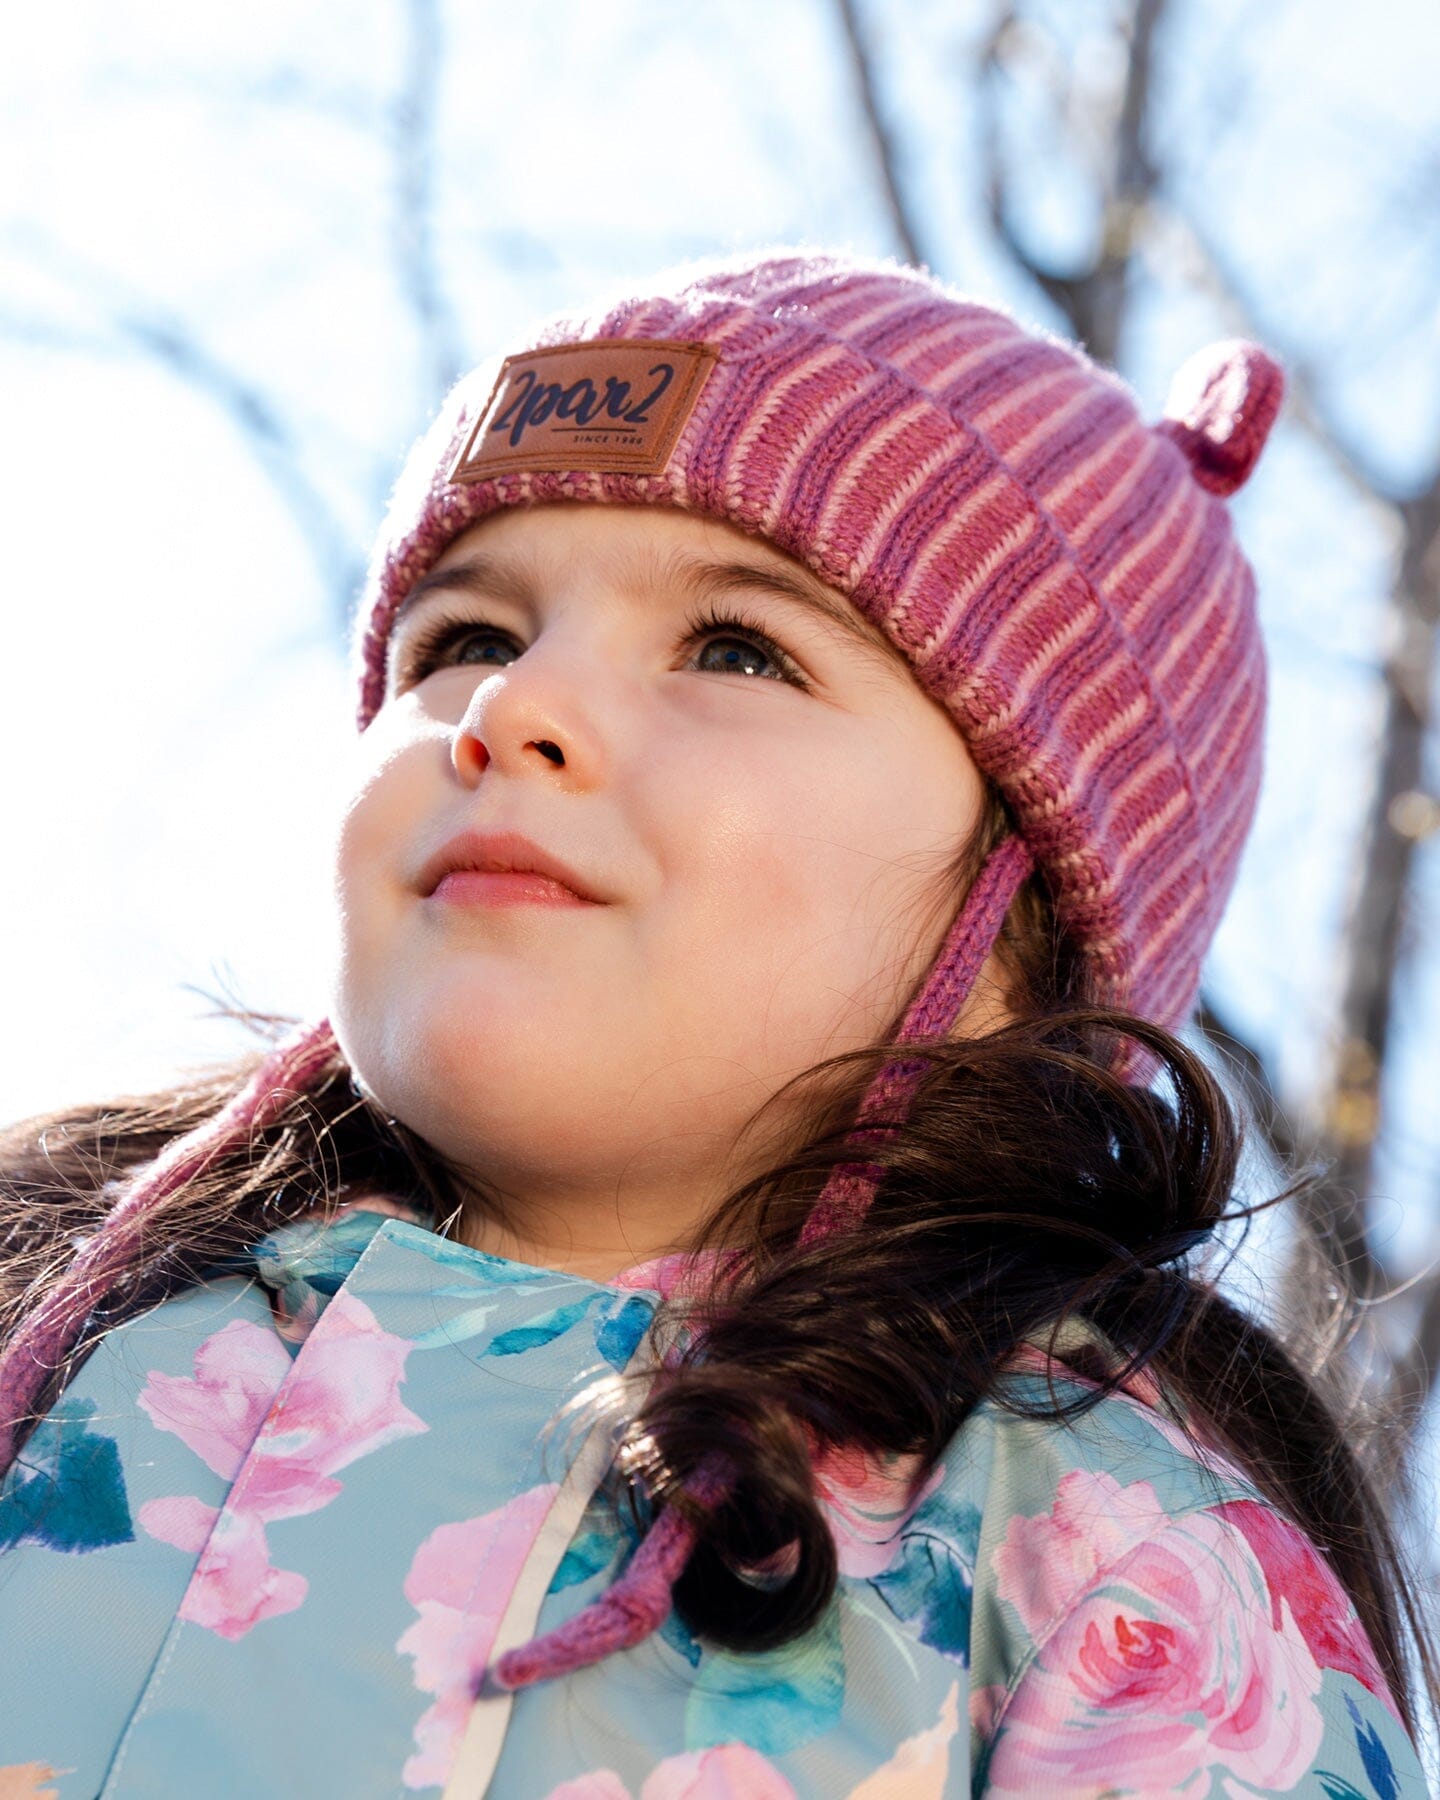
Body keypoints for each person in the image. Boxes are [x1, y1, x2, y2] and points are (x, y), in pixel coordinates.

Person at [0, 248, 1432, 1799]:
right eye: (466, 639)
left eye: (737, 649)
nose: (510, 712)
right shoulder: (55, 1334)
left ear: (1027, 942)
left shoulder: (1122, 1578)